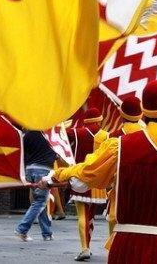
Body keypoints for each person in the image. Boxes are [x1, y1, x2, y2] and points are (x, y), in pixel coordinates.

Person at [41, 80, 157, 264]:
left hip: (124, 247)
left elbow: (82, 179)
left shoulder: (118, 147)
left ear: (145, 113)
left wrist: (53, 177)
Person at [65, 107, 108, 261]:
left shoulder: (77, 133)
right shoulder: (106, 136)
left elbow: (60, 133)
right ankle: (87, 246)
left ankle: (85, 247)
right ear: (99, 119)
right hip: (98, 182)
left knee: (81, 215)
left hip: (80, 178)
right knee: (91, 216)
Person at [15, 129, 57, 241]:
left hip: (30, 169)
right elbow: (56, 152)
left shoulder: (28, 134)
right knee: (40, 201)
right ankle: (22, 230)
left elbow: (22, 152)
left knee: (39, 202)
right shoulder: (49, 134)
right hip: (44, 169)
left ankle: (47, 233)